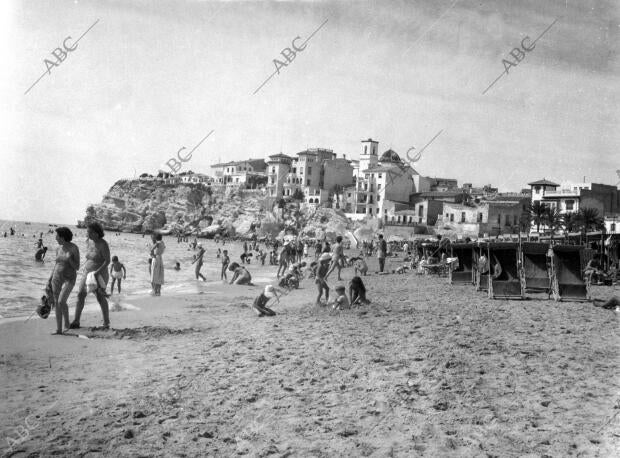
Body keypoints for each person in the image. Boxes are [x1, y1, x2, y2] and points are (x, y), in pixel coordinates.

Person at [70, 223, 110, 330]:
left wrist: (97, 272)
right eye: (87, 231)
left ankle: (106, 322)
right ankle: (76, 320)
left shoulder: (103, 244)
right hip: (86, 272)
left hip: (99, 274)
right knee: (80, 294)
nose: (87, 233)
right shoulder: (89, 241)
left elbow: (107, 261)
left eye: (89, 232)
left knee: (100, 297)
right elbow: (89, 257)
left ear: (96, 233)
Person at [49, 227, 80, 335]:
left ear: (62, 237)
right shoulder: (58, 248)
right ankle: (59, 329)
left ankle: (66, 322)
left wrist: (69, 259)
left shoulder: (74, 248)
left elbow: (77, 267)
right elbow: (56, 264)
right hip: (56, 277)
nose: (55, 237)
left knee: (61, 301)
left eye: (57, 235)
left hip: (69, 278)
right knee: (57, 303)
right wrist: (49, 278)